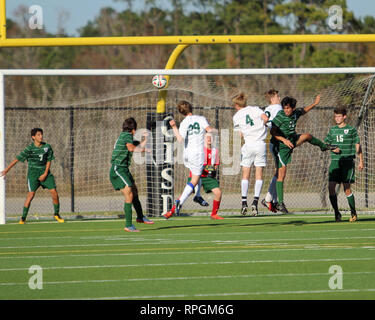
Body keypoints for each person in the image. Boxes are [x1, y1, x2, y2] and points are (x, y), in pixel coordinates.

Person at [270, 95, 340, 214]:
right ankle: (280, 203)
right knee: (282, 174)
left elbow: (303, 111)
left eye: (288, 108)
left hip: (291, 140)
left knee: (307, 136)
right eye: (284, 108)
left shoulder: (295, 113)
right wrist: (284, 140)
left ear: (293, 108)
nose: (286, 110)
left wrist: (315, 103)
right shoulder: (280, 116)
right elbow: (273, 131)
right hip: (281, 146)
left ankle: (323, 147)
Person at [163, 100, 218, 219]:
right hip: (198, 154)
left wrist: (173, 127)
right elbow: (209, 130)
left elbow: (180, 139)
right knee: (194, 180)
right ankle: (179, 202)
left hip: (187, 154)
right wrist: (214, 131)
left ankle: (197, 195)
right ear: (191, 108)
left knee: (196, 175)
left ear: (181, 112)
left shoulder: (184, 122)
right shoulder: (201, 118)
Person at [0, 128, 64, 224]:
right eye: (38, 135)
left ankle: (56, 214)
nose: (41, 136)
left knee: (54, 192)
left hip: (45, 173)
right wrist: (6, 170)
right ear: (33, 137)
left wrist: (45, 173)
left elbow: (49, 160)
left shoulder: (47, 147)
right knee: (31, 195)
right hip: (33, 175)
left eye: (41, 134)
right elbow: (17, 159)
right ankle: (23, 218)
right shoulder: (29, 149)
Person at [110, 117, 153, 232]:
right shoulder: (126, 135)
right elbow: (131, 148)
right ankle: (128, 225)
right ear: (133, 129)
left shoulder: (127, 136)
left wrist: (146, 138)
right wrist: (144, 150)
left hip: (124, 169)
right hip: (117, 169)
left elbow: (139, 145)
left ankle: (140, 217)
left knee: (134, 191)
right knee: (129, 192)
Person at [232, 92, 269, 216]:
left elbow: (240, 134)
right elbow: (266, 118)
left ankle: (244, 203)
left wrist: (248, 131)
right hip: (260, 144)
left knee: (245, 174)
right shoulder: (255, 109)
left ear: (237, 105)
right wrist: (262, 127)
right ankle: (255, 202)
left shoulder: (236, 116)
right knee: (258, 174)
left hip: (248, 144)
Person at [324, 107, 363, 222]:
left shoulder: (351, 130)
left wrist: (361, 160)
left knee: (347, 189)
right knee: (331, 188)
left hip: (347, 163)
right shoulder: (332, 130)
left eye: (339, 116)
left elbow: (357, 145)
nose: (337, 118)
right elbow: (326, 144)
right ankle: (337, 213)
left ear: (344, 117)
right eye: (335, 116)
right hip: (335, 163)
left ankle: (353, 213)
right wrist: (332, 148)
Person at [187, 132, 223, 219]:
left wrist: (214, 170)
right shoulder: (199, 149)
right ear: (203, 139)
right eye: (207, 137)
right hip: (197, 175)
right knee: (187, 192)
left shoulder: (215, 150)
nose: (209, 139)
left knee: (218, 193)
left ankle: (214, 214)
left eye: (211, 137)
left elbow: (216, 164)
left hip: (208, 177)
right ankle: (171, 211)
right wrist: (204, 168)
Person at [261, 89, 283, 213]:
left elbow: (266, 123)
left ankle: (272, 199)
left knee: (280, 171)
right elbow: (268, 123)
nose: (279, 98)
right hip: (277, 141)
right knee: (280, 171)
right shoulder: (275, 108)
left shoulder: (269, 109)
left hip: (276, 141)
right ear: (272, 98)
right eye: (277, 96)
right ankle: (269, 199)